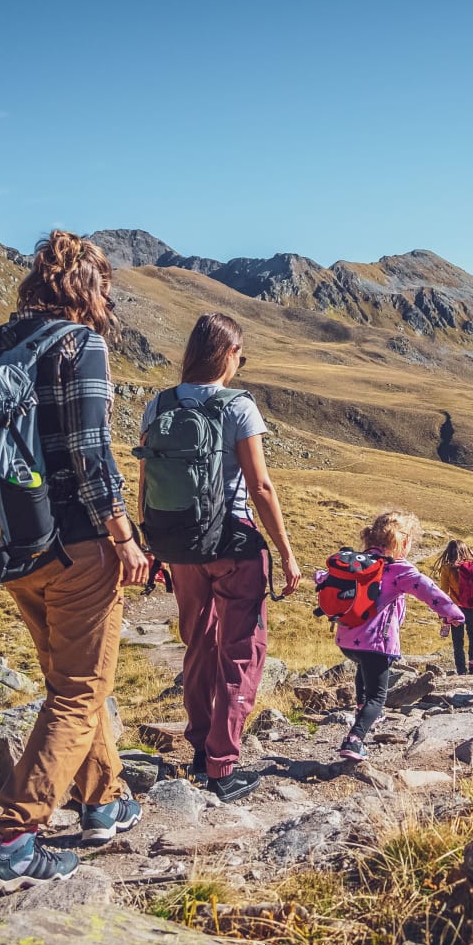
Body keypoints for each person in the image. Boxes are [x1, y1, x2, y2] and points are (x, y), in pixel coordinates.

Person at [0, 230, 152, 894]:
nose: (110, 297)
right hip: (78, 546)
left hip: (10, 550)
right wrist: (124, 537)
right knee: (78, 692)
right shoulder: (79, 345)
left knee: (74, 683)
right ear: (86, 286)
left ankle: (105, 800)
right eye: (105, 284)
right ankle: (17, 840)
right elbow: (89, 452)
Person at [138, 313, 299, 804]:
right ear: (229, 354)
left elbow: (145, 483)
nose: (239, 365)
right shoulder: (238, 407)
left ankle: (198, 746)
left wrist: (151, 544)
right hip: (232, 542)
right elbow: (260, 486)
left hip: (180, 545)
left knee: (199, 644)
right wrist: (287, 554)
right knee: (242, 649)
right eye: (240, 356)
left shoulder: (157, 405)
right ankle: (222, 767)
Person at [317, 511, 464, 761]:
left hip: (347, 641)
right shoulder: (398, 569)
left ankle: (364, 710)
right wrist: (453, 613)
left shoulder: (356, 563)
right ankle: (354, 740)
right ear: (403, 542)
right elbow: (428, 590)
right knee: (378, 696)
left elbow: (322, 578)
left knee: (364, 675)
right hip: (376, 644)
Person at [433, 540, 473, 675]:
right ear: (466, 550)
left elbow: (444, 591)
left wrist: (442, 612)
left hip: (456, 609)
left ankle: (461, 670)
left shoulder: (447, 568)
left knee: (457, 640)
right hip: (472, 606)